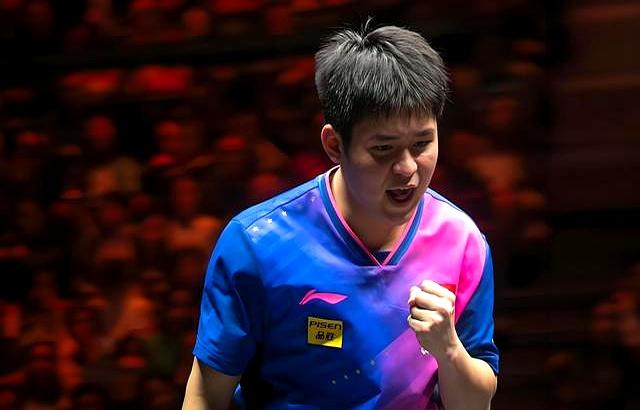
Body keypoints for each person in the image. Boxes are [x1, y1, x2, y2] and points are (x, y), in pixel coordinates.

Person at [183, 22, 499, 410]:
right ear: (334, 145)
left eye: (422, 143)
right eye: (383, 149)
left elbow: (475, 404)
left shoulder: (462, 242)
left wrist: (448, 348)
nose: (407, 168)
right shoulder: (257, 243)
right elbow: (206, 393)